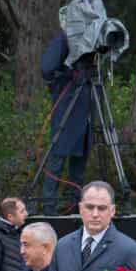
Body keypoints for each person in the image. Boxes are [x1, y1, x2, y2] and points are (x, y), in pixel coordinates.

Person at [39, 30, 93, 214]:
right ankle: (49, 208)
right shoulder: (65, 38)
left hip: (86, 108)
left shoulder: (92, 40)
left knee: (79, 161)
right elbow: (47, 68)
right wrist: (68, 74)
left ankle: (75, 206)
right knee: (58, 156)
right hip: (68, 104)